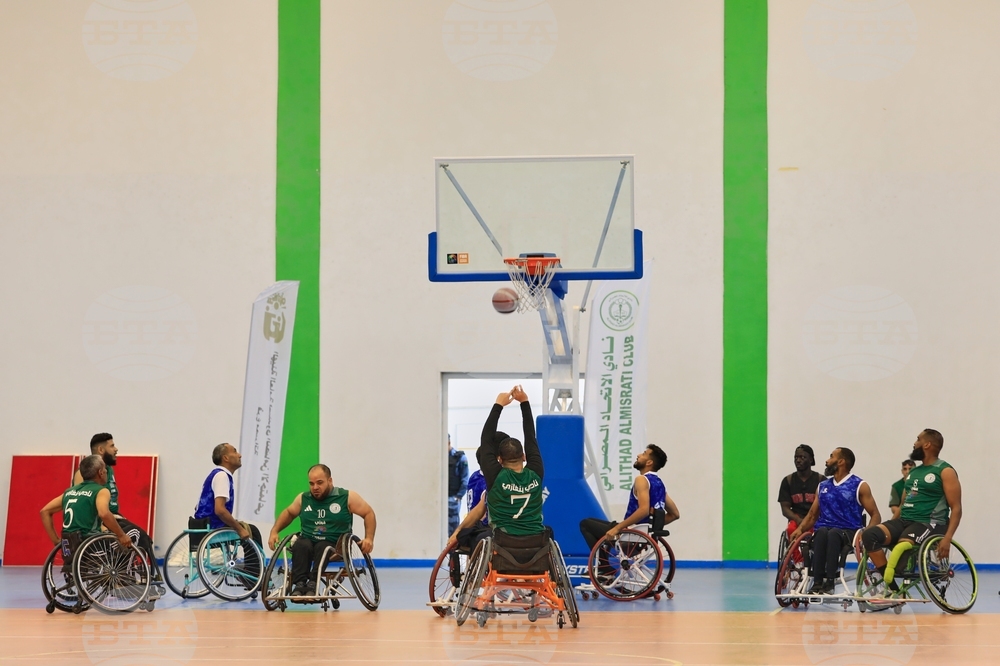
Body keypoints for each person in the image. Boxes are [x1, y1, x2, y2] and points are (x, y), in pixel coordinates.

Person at [860, 429, 962, 587]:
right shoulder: (914, 472)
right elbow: (902, 504)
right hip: (904, 521)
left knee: (902, 546)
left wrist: (947, 538)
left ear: (927, 444)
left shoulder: (945, 471)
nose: (914, 443)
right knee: (870, 535)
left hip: (930, 523)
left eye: (918, 439)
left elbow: (956, 508)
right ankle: (892, 587)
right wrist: (890, 524)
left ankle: (890, 577)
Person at [268, 464, 377, 597]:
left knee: (322, 546)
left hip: (334, 544)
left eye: (319, 483)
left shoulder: (346, 497)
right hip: (308, 540)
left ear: (330, 481)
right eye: (311, 483)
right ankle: (300, 584)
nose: (315, 487)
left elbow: (368, 513)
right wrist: (274, 531)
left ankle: (313, 583)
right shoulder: (303, 498)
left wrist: (369, 538)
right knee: (301, 544)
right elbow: (289, 513)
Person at [72, 432, 163, 588]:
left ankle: (137, 575)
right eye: (112, 446)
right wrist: (100, 524)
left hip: (113, 515)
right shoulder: (85, 473)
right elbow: (80, 501)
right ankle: (119, 577)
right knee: (136, 535)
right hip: (98, 519)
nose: (116, 449)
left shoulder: (107, 470)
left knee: (145, 538)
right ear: (101, 450)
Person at [790, 447, 881, 594]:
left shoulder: (859, 485)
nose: (827, 460)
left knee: (833, 533)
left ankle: (830, 582)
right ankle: (817, 582)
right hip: (824, 530)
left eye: (831, 456)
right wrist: (800, 529)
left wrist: (866, 533)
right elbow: (813, 515)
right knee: (821, 532)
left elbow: (876, 515)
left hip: (849, 531)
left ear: (841, 461)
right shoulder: (823, 486)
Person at [578, 444, 680, 551]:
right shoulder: (660, 485)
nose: (638, 455)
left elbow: (644, 510)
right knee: (592, 521)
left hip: (632, 535)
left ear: (649, 462)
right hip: (643, 535)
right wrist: (652, 528)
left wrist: (618, 528)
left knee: (585, 524)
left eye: (644, 454)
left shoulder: (642, 480)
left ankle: (604, 567)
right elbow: (675, 514)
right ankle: (605, 560)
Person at [478, 385, 545, 537]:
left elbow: (486, 440)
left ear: (499, 459)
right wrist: (524, 402)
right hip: (535, 539)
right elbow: (530, 438)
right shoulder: (535, 472)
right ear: (524, 456)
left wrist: (498, 406)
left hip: (504, 539)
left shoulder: (495, 476)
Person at [192, 443, 263, 582]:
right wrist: (238, 528)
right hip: (212, 529)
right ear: (226, 458)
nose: (240, 455)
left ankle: (251, 571)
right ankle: (253, 577)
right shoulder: (222, 476)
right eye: (235, 452)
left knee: (247, 529)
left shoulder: (216, 475)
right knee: (251, 531)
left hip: (203, 525)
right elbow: (220, 510)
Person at [40, 454, 133, 558]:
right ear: (100, 472)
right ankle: (126, 572)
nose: (107, 471)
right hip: (91, 545)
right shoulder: (101, 490)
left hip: (69, 545)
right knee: (133, 534)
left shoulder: (69, 492)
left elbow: (44, 511)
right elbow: (104, 513)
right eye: (105, 469)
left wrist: (56, 541)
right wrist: (121, 535)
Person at [778, 445, 824, 538]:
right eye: (796, 457)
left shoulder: (821, 481)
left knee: (821, 533)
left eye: (802, 457)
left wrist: (810, 521)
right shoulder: (788, 481)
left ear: (811, 460)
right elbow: (785, 509)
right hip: (796, 518)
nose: (798, 460)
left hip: (816, 519)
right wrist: (798, 520)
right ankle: (795, 553)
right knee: (791, 529)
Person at [447, 435, 469, 535]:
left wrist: (458, 497)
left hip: (452, 500)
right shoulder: (436, 458)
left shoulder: (459, 457)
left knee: (453, 531)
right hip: (437, 501)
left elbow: (465, 479)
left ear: (448, 443)